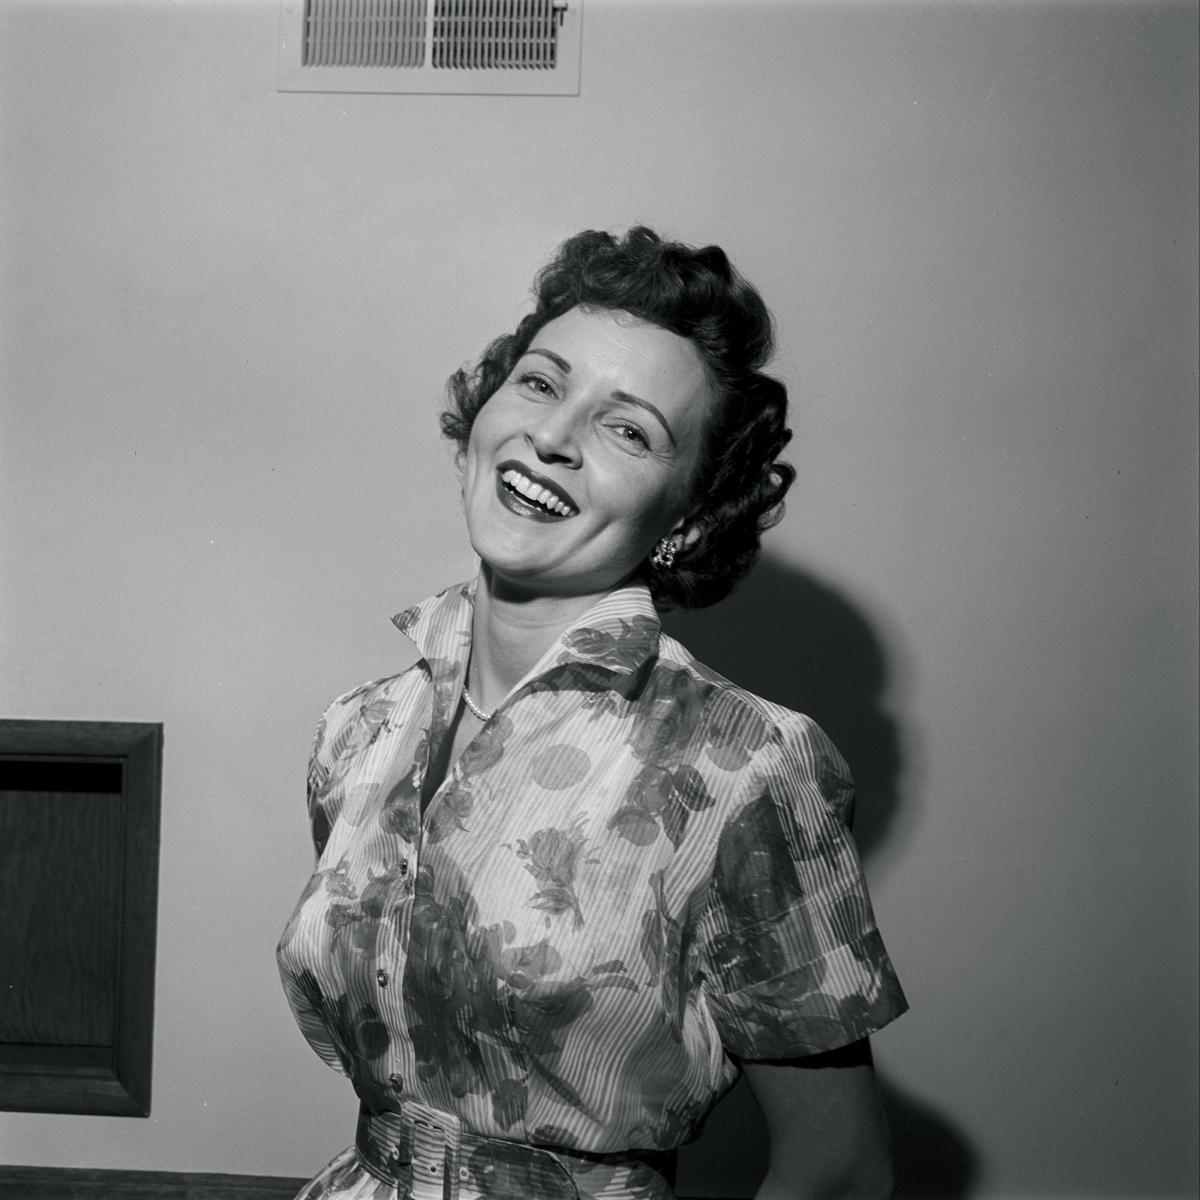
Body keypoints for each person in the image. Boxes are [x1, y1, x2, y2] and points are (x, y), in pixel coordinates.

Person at [277, 227, 907, 1200]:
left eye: (629, 429)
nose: (554, 436)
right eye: (538, 382)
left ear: (690, 511)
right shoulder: (356, 733)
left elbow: (842, 1169)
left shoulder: (747, 765)